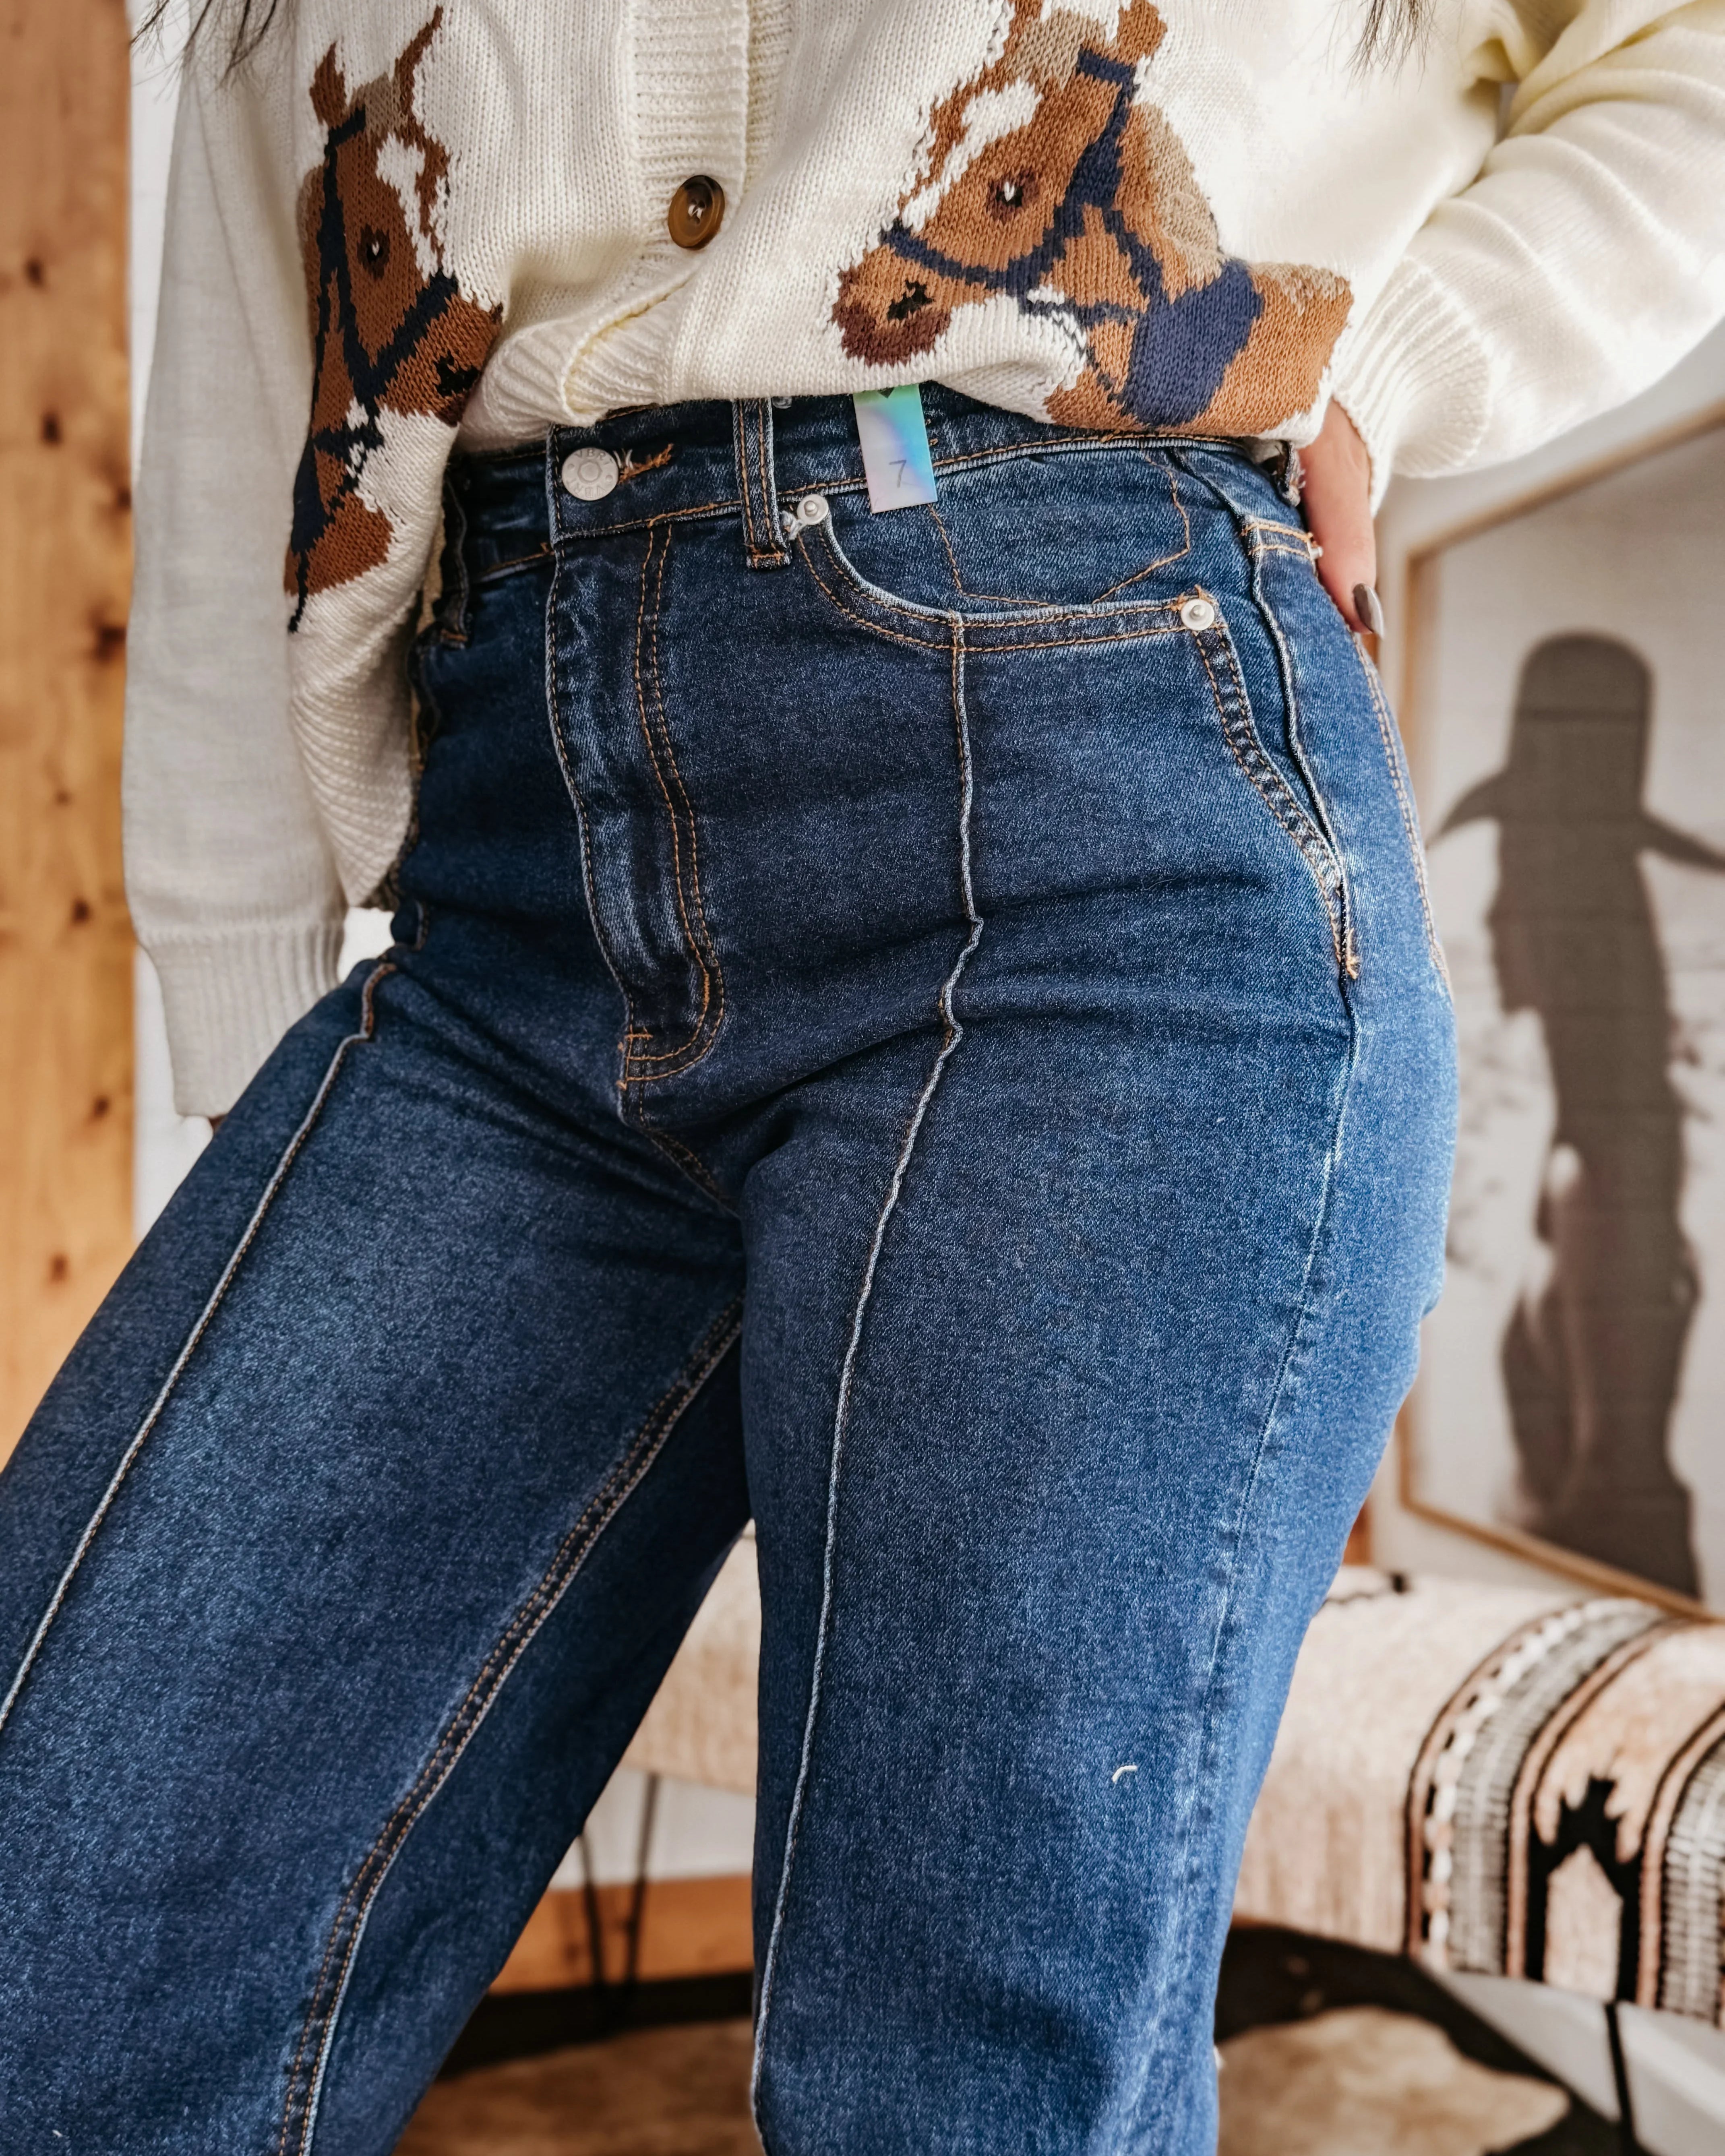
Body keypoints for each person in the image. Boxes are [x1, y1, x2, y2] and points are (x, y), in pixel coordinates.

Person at [1, 1, 1720, 2148]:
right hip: (516, 862)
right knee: (56, 1943)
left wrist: (1394, 351)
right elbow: (270, 275)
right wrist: (246, 933)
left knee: (957, 2085)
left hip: (1100, 793)